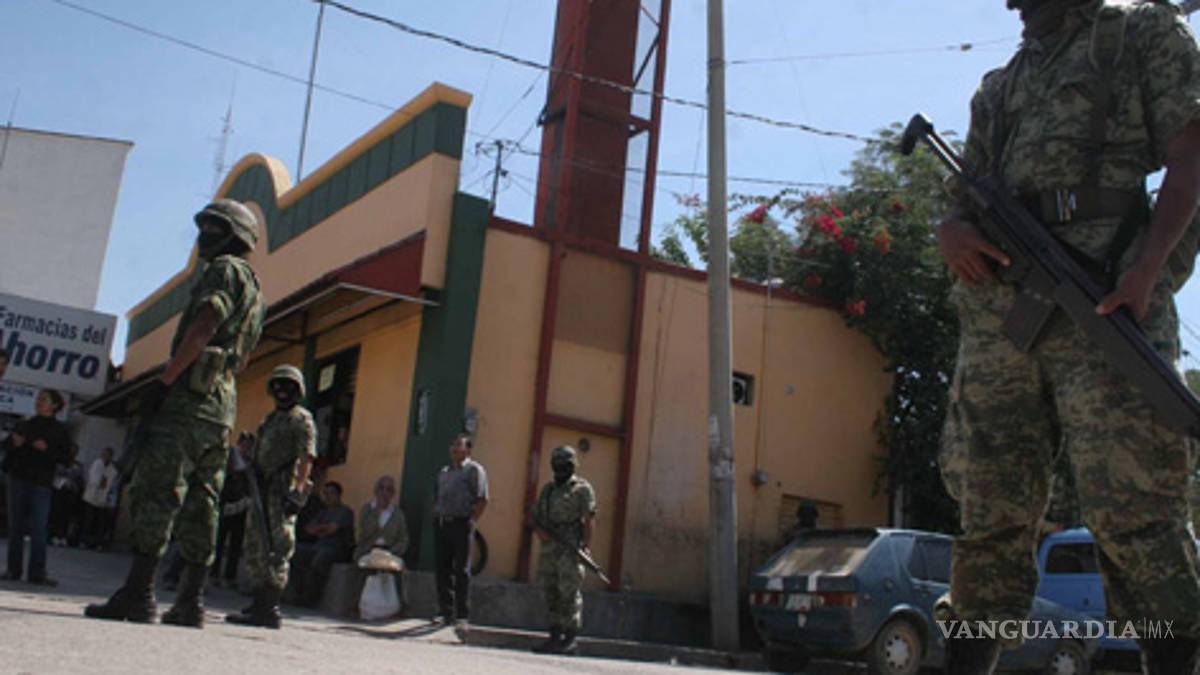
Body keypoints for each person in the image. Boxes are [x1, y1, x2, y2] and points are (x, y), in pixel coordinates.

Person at [936, 2, 1200, 672]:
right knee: (989, 513)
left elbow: (1192, 152)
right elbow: (961, 200)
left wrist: (1148, 270)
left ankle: (1171, 656)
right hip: (1002, 318)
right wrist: (952, 231)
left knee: (1134, 507)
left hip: (1105, 299)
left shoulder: (1140, 30)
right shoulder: (1000, 87)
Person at [85, 199, 265, 628]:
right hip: (220, 407)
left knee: (159, 491)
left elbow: (203, 327)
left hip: (187, 401)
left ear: (234, 237)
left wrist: (166, 381)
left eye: (214, 229)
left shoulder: (223, 270)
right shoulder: (256, 290)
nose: (203, 238)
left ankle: (139, 594)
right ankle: (190, 601)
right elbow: (242, 354)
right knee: (204, 501)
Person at [225, 365, 316, 628]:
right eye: (277, 386)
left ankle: (270, 605)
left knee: (278, 544)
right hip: (260, 488)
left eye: (288, 386)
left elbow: (307, 456)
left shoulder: (301, 419)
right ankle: (259, 601)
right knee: (255, 545)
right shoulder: (269, 420)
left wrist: (298, 490)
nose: (282, 391)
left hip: (282, 488)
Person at [530, 445, 595, 656]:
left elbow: (589, 519)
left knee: (569, 592)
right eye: (557, 464)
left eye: (565, 464)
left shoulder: (582, 488)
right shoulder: (548, 490)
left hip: (570, 547)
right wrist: (540, 533)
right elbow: (536, 516)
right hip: (550, 548)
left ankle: (570, 638)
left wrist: (586, 546)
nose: (560, 468)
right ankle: (554, 636)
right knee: (550, 591)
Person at [3, 389, 71, 585]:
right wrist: (14, 443)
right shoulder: (25, 424)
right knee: (15, 526)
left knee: (38, 529)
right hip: (18, 479)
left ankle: (37, 572)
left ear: (55, 405)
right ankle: (13, 570)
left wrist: (47, 449)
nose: (38, 402)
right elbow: (6, 446)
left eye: (44, 399)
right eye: (38, 398)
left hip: (41, 483)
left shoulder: (60, 430)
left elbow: (66, 458)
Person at [430, 433, 489, 630]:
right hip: (442, 523)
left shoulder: (474, 470)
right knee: (442, 569)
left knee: (461, 570)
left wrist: (472, 521)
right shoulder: (444, 472)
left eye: (458, 445)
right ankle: (444, 611)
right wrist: (436, 514)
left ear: (468, 450)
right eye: (452, 444)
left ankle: (462, 615)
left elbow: (482, 499)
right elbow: (436, 497)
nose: (454, 448)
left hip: (462, 524)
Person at [286, 480, 353, 607]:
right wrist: (323, 529)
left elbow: (332, 529)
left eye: (331, 493)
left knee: (320, 558)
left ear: (339, 495)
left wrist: (320, 529)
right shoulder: (323, 512)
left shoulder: (345, 512)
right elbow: (309, 529)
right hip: (318, 546)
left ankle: (310, 598)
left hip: (337, 549)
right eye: (325, 493)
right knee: (294, 551)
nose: (327, 497)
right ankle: (294, 593)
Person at [210, 435, 253, 589]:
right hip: (226, 503)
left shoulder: (249, 462)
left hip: (241, 507)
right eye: (245, 446)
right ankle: (213, 573)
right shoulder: (229, 458)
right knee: (219, 541)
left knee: (236, 543)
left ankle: (230, 576)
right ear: (239, 444)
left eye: (249, 447)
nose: (246, 449)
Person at [354, 475, 408, 563]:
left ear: (393, 494)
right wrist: (377, 512)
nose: (384, 492)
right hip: (367, 551)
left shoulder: (398, 514)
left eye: (389, 489)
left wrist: (391, 552)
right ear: (376, 491)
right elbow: (364, 534)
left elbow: (403, 539)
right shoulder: (367, 510)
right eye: (381, 488)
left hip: (390, 553)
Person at [81, 447, 118, 548]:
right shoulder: (97, 464)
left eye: (107, 455)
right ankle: (84, 541)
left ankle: (97, 542)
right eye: (103, 454)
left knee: (100, 523)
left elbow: (109, 483)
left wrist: (103, 483)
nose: (105, 457)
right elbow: (94, 479)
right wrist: (101, 482)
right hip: (91, 497)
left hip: (102, 500)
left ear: (111, 457)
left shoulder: (112, 469)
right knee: (88, 520)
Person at [49, 443, 85, 546]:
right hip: (59, 491)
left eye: (75, 451)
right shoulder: (59, 463)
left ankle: (63, 536)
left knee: (67, 515)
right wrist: (65, 478)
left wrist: (73, 482)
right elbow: (55, 474)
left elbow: (80, 479)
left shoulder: (78, 465)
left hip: (71, 492)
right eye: (71, 450)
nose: (72, 453)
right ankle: (54, 535)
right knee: (56, 514)